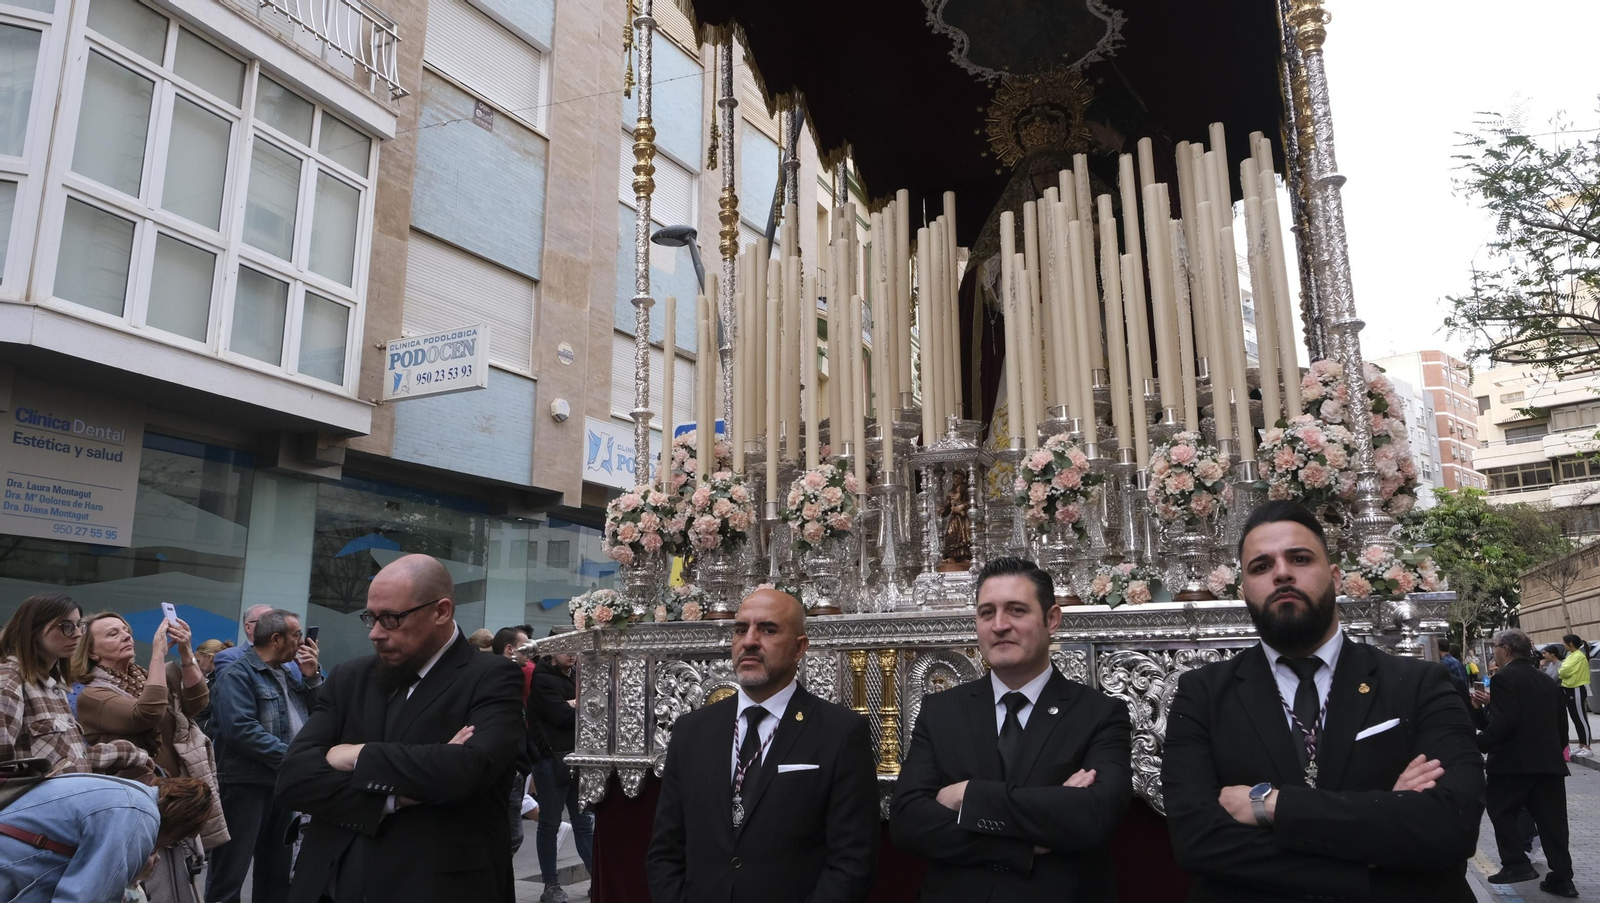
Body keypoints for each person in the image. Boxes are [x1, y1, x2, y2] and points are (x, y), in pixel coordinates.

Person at [1162, 500, 1484, 902]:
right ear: (1244, 590)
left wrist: (1272, 805)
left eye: (1299, 558)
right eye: (1261, 566)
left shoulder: (1419, 684)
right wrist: (1377, 838)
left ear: (1334, 577)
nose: (1282, 573)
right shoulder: (1203, 694)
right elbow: (1198, 841)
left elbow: (1451, 825)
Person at [274, 553, 525, 903]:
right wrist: (396, 797)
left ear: (441, 611)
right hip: (326, 884)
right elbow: (293, 778)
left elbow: (469, 769)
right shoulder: (351, 677)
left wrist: (357, 754)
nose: (376, 633)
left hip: (436, 887)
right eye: (371, 618)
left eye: (391, 619)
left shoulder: (492, 677)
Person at [889, 558, 1133, 902]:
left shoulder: (1099, 713)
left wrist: (969, 794)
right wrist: (1024, 843)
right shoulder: (940, 711)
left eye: (1016, 610)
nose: (1000, 625)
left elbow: (1093, 817)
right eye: (987, 613)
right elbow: (908, 821)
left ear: (1052, 619)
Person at [647, 589, 879, 903]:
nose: (749, 641)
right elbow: (665, 849)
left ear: (800, 648)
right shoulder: (692, 730)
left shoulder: (839, 732)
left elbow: (853, 862)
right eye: (741, 629)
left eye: (768, 630)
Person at [74, 612, 229, 903]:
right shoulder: (92, 695)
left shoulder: (145, 678)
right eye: (112, 633)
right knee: (146, 889)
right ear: (92, 652)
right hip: (131, 812)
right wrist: (157, 655)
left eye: (126, 630)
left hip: (168, 804)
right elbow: (147, 713)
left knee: (176, 886)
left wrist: (185, 652)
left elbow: (198, 701)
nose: (125, 635)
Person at [207, 609, 322, 903]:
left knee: (276, 876)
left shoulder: (289, 673)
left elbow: (322, 715)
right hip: (245, 785)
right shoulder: (238, 674)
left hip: (281, 783)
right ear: (275, 639)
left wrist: (312, 677)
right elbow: (241, 730)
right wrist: (295, 759)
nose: (302, 642)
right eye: (296, 635)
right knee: (230, 874)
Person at [1470, 628, 1576, 896]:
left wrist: (1474, 744)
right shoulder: (1545, 679)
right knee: (1553, 822)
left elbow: (1504, 724)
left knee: (1500, 808)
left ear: (1506, 649)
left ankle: (1516, 863)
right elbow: (1561, 725)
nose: (1493, 652)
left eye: (1495, 647)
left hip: (1514, 763)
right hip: (1549, 763)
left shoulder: (1505, 678)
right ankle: (1562, 877)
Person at [0, 592, 151, 777]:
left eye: (79, 625)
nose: (78, 634)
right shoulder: (9, 680)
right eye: (66, 626)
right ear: (33, 630)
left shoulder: (54, 686)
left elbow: (68, 759)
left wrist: (126, 752)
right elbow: (4, 770)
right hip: (44, 794)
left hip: (73, 788)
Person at [0, 774, 212, 903]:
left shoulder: (131, 793)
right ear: (174, 831)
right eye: (174, 841)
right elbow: (90, 896)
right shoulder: (139, 816)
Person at [531, 631, 595, 902]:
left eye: (575, 648)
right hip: (551, 759)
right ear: (550, 652)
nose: (572, 654)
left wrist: (575, 704)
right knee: (550, 823)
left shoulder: (578, 675)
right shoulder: (543, 679)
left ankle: (598, 879)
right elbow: (562, 715)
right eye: (565, 648)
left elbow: (594, 707)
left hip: (578, 756)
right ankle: (551, 885)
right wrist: (580, 705)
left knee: (583, 821)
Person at [492, 625, 538, 852]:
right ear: (510, 649)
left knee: (510, 836)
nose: (530, 653)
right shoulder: (498, 679)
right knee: (510, 836)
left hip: (516, 765)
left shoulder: (513, 676)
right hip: (508, 767)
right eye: (525, 647)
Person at [212, 605, 307, 686]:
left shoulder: (291, 659)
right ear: (248, 627)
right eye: (264, 621)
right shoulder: (230, 659)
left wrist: (312, 677)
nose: (274, 625)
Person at [1557, 633, 1592, 757]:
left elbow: (1564, 670)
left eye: (1564, 642)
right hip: (1569, 689)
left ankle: (1587, 747)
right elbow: (1562, 669)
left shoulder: (1578, 656)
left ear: (1570, 644)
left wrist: (1561, 671)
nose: (1563, 644)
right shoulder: (1571, 655)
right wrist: (1562, 670)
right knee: (1575, 718)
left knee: (1581, 718)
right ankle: (1581, 745)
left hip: (1576, 688)